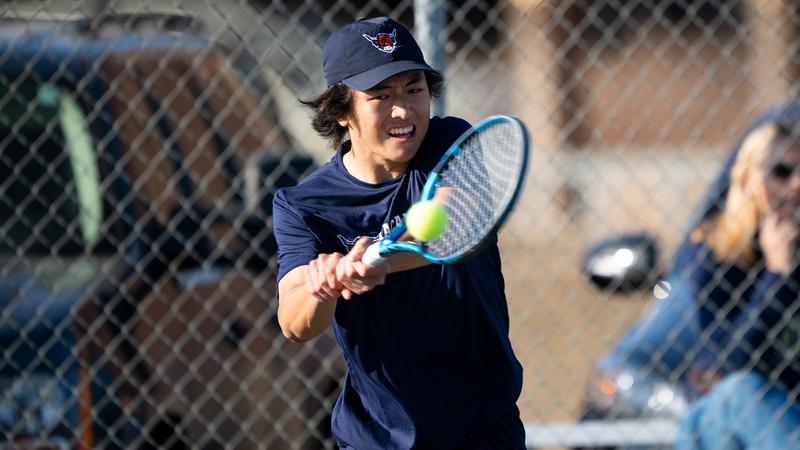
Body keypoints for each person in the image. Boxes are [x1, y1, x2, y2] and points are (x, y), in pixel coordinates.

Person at [271, 17, 525, 450]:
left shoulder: (449, 142)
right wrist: (322, 288)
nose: (404, 111)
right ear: (341, 111)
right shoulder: (304, 205)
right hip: (376, 437)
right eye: (381, 96)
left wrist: (379, 262)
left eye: (413, 89)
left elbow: (456, 224)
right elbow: (294, 322)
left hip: (483, 427)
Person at [671, 119, 800, 449]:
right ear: (746, 179)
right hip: (736, 413)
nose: (796, 184)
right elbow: (730, 364)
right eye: (782, 172)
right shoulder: (715, 252)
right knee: (738, 393)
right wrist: (777, 274)